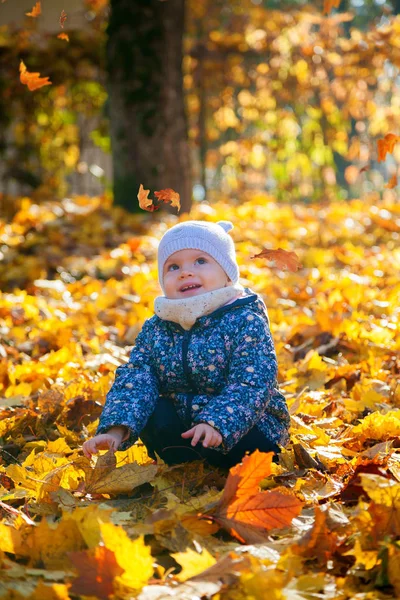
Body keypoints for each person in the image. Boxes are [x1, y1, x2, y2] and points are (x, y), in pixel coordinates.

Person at [82, 220, 290, 468]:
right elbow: (137, 378)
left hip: (247, 427)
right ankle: (183, 465)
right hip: (187, 428)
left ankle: (231, 464)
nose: (185, 272)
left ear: (227, 273)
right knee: (155, 409)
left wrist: (217, 423)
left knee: (252, 436)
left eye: (201, 261)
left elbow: (252, 382)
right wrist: (116, 429)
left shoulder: (245, 320)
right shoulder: (158, 327)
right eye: (173, 266)